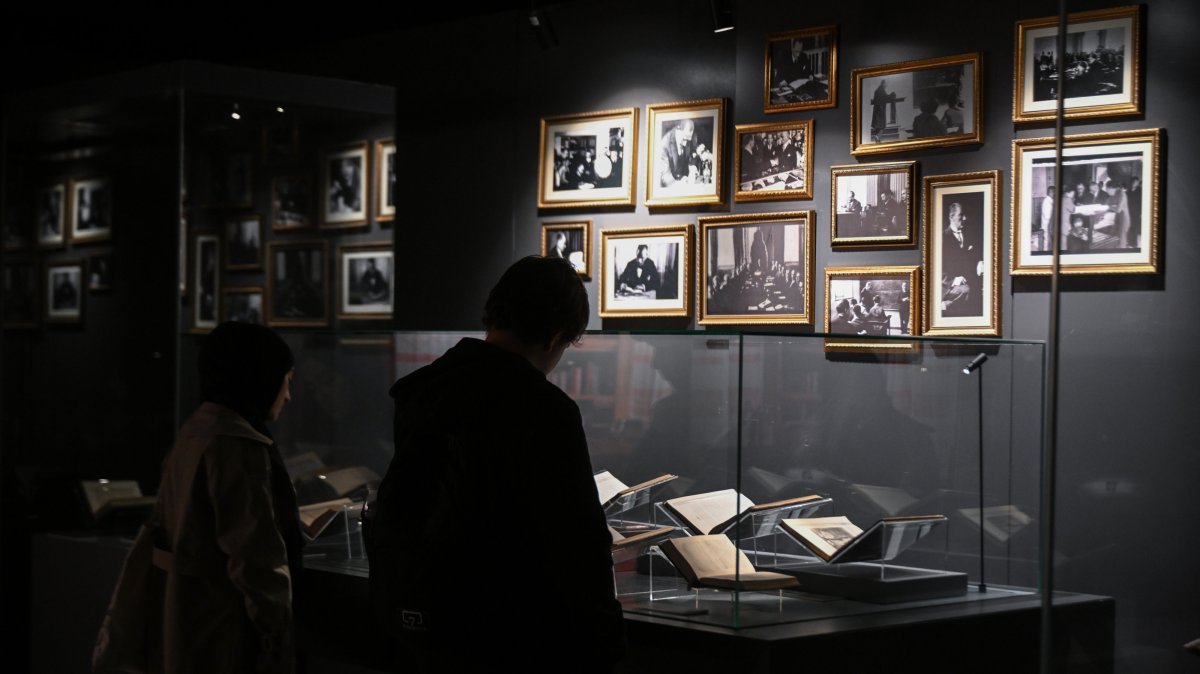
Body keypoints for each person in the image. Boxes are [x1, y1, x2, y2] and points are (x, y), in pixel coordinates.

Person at [366, 256, 624, 673]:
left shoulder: (424, 389)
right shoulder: (544, 408)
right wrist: (606, 635)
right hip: (508, 630)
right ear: (556, 336)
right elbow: (576, 539)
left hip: (421, 616)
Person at [96, 321, 301, 674]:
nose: (288, 396)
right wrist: (276, 630)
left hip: (184, 614)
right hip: (222, 621)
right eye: (286, 380)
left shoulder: (198, 429)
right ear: (261, 378)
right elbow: (253, 551)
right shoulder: (236, 444)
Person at [941, 201, 983, 317]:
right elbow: (936, 269)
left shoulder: (968, 235)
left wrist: (979, 263)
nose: (965, 218)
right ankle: (943, 305)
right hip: (948, 285)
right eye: (961, 215)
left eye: (964, 215)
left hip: (968, 279)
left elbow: (971, 258)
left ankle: (946, 305)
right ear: (951, 217)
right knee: (968, 291)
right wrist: (954, 280)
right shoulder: (942, 238)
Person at [657, 118, 710, 187]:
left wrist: (692, 167)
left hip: (684, 180)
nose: (686, 144)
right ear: (678, 129)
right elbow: (666, 176)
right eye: (684, 139)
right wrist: (681, 185)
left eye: (688, 140)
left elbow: (694, 150)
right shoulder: (664, 145)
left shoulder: (687, 137)